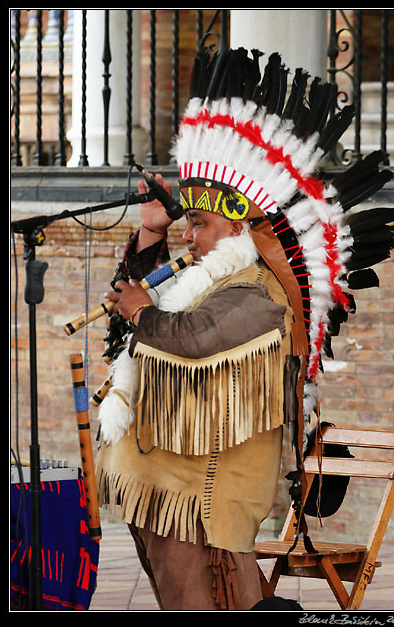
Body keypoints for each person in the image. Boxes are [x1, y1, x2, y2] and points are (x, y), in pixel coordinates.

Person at [96, 172, 296, 610]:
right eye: (185, 224)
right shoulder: (209, 282)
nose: (187, 236)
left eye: (199, 224)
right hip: (163, 492)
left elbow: (194, 337)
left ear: (238, 228)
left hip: (201, 505)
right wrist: (152, 230)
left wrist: (142, 314)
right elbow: (150, 303)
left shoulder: (257, 289)